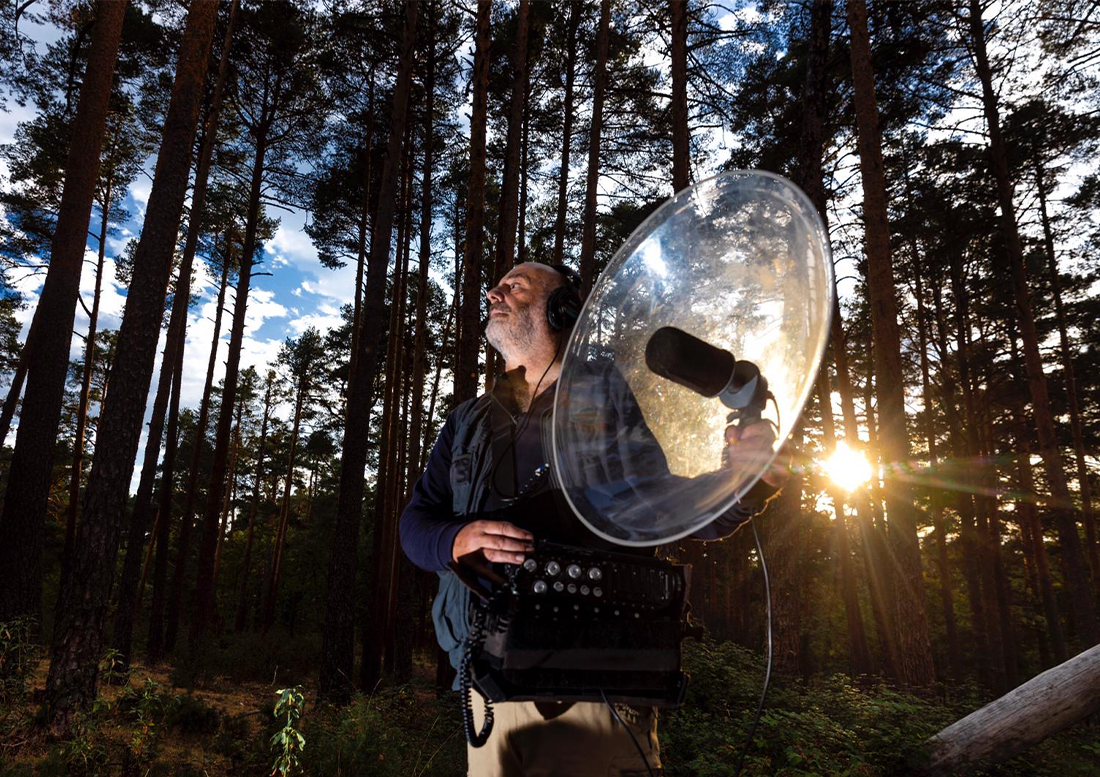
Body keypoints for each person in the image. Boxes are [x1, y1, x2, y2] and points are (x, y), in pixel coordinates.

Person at [399, 261, 787, 777]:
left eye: (516, 286)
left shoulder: (602, 398)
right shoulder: (469, 419)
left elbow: (658, 505)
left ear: (561, 310)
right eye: (497, 285)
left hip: (591, 687)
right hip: (487, 692)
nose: (494, 292)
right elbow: (415, 525)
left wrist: (741, 485)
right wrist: (457, 537)